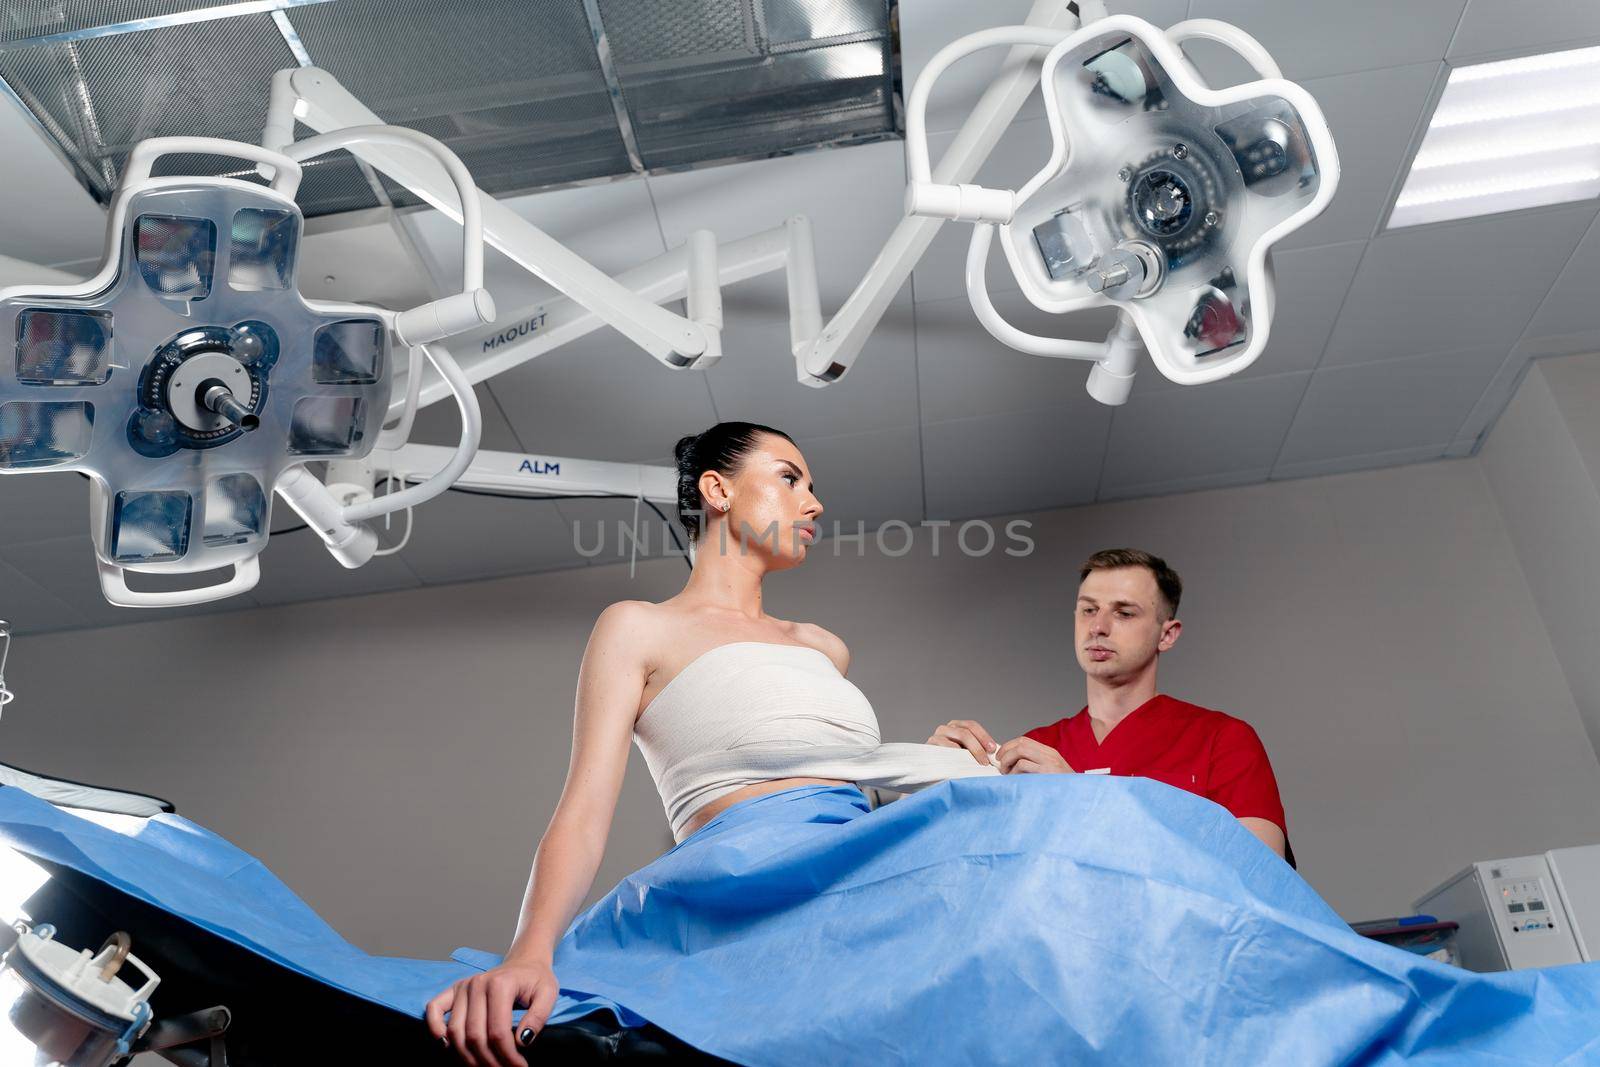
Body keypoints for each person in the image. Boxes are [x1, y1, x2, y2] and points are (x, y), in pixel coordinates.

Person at [424, 426, 1600, 1067]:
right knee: (1094, 822)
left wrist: (930, 755)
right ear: (718, 489)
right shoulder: (640, 626)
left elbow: (841, 770)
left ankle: (1349, 1019)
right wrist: (532, 949)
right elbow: (584, 799)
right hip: (749, 873)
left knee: (1114, 821)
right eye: (792, 475)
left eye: (819, 480)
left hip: (861, 849)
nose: (816, 498)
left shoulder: (821, 641)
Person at [929, 548, 1291, 862]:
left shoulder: (1222, 740)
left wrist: (1081, 801)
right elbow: (979, 865)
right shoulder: (1033, 749)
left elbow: (1261, 868)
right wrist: (930, 783)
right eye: (1088, 610)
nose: (1098, 627)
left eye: (1124, 613)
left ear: (1167, 634)